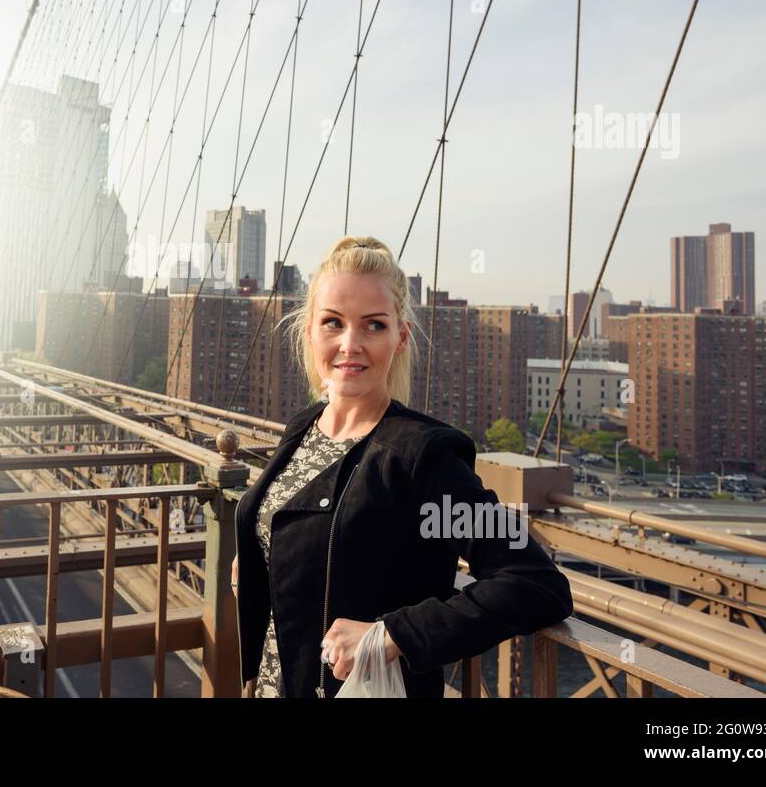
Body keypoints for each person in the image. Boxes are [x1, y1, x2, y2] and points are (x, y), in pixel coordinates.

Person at [232, 236, 573, 698]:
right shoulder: (304, 428)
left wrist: (392, 634)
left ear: (400, 338)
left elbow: (535, 581)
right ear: (309, 332)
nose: (350, 344)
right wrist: (264, 554)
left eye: (373, 326)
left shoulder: (421, 457)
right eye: (333, 322)